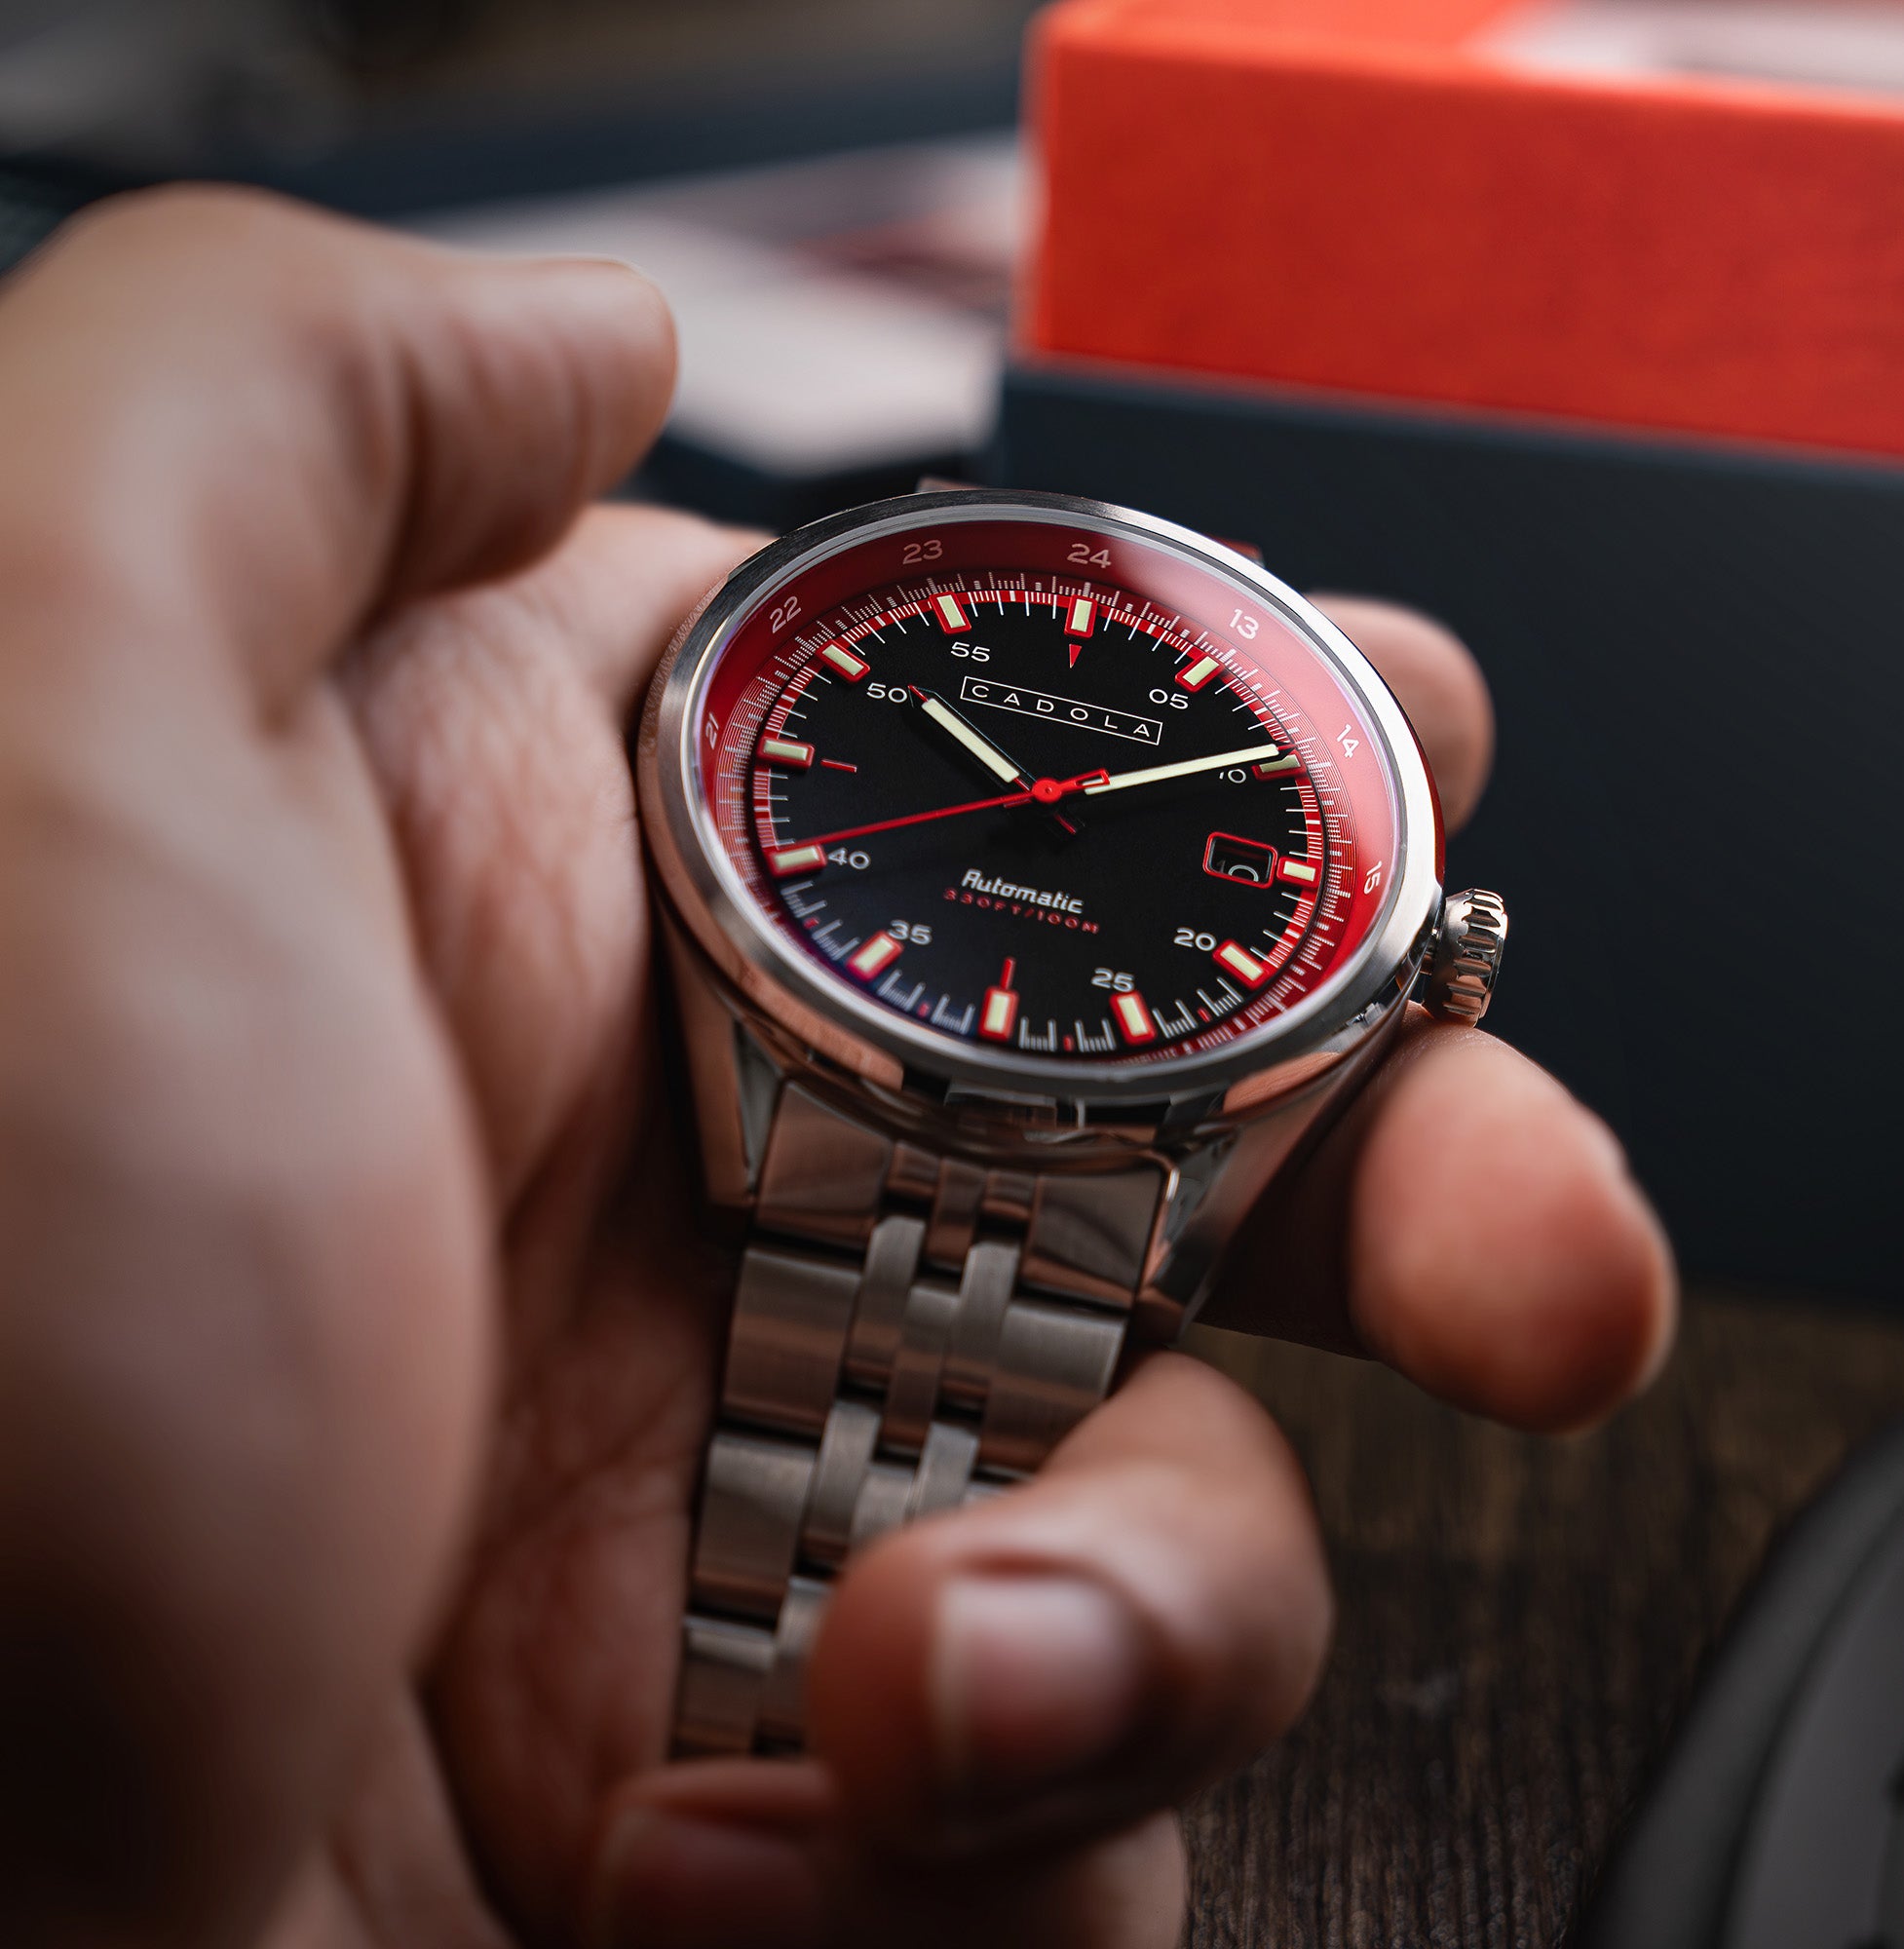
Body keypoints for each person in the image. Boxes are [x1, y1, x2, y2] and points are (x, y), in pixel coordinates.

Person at [0, 188, 1675, 1949]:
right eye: (1016, 774)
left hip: (1082, 1152)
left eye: (1078, 793)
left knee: (979, 1673)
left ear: (1430, 951)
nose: (1048, 798)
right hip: (816, 1079)